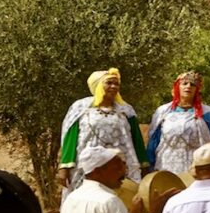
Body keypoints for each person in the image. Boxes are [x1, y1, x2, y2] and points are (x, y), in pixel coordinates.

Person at [58, 69, 148, 201]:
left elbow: (136, 139)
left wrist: (143, 164)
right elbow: (70, 138)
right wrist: (64, 167)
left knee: (123, 199)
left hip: (121, 166)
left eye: (116, 84)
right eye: (109, 83)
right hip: (89, 166)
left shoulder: (126, 109)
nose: (114, 87)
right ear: (98, 85)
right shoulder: (81, 107)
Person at [147, 71, 210, 174]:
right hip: (167, 165)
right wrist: (150, 164)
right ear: (177, 87)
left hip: (196, 167)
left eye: (193, 84)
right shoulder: (163, 112)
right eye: (184, 83)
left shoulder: (208, 113)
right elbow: (154, 141)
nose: (188, 86)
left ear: (197, 89)